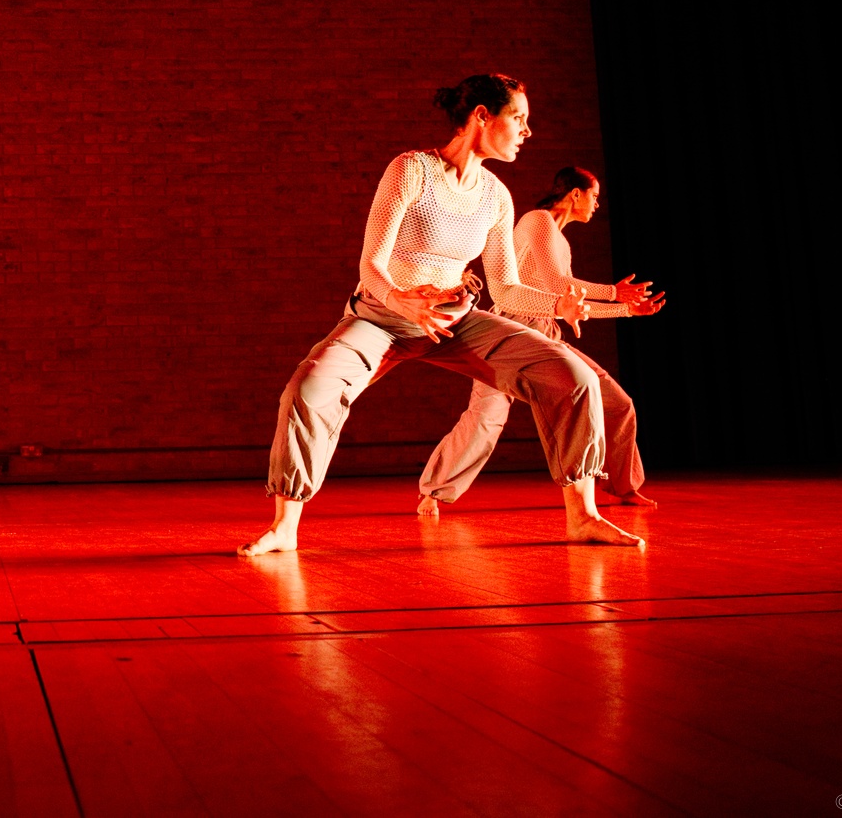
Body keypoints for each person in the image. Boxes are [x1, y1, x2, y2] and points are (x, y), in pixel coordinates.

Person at [240, 74, 645, 556]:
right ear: (481, 116)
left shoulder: (496, 196)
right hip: (381, 318)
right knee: (309, 388)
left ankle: (583, 517)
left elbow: (506, 288)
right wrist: (399, 300)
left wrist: (557, 305)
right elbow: (371, 264)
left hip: (456, 322)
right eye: (518, 118)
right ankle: (285, 527)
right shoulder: (412, 170)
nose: (526, 131)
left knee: (572, 375)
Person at [416, 167, 666, 516]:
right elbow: (558, 285)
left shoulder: (560, 239)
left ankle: (623, 486)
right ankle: (434, 491)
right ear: (575, 194)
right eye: (593, 196)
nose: (597, 204)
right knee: (486, 417)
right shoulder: (538, 221)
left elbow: (567, 300)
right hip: (509, 328)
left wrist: (624, 308)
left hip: (545, 329)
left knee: (616, 403)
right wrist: (615, 296)